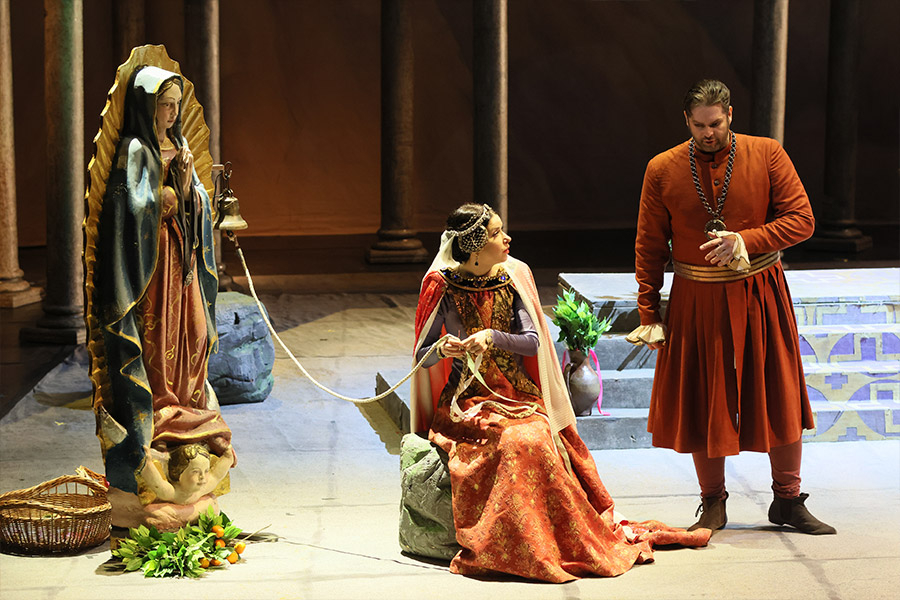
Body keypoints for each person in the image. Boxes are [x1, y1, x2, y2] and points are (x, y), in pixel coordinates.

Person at [410, 203, 710, 583]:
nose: (507, 238)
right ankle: (513, 546)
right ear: (474, 246)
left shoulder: (512, 278)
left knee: (536, 436)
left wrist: (492, 337)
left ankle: (550, 540)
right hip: (467, 402)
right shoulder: (444, 286)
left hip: (516, 394)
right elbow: (421, 354)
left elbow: (532, 341)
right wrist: (443, 348)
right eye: (497, 233)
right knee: (512, 442)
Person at [628, 79, 835, 535]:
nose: (708, 133)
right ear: (687, 120)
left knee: (778, 391)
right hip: (696, 297)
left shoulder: (767, 153)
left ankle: (787, 500)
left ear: (730, 115)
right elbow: (649, 245)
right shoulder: (662, 168)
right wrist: (649, 312)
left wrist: (747, 240)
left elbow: (802, 220)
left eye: (716, 124)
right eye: (699, 125)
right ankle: (712, 502)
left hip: (760, 291)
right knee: (705, 396)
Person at [90, 64, 232, 515]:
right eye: (164, 104)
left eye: (175, 105)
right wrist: (166, 197)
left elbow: (197, 200)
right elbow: (128, 209)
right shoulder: (134, 149)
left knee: (192, 334)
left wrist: (189, 190)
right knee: (157, 336)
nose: (171, 113)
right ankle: (159, 410)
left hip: (183, 261)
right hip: (149, 270)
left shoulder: (180, 145)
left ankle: (186, 404)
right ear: (146, 106)